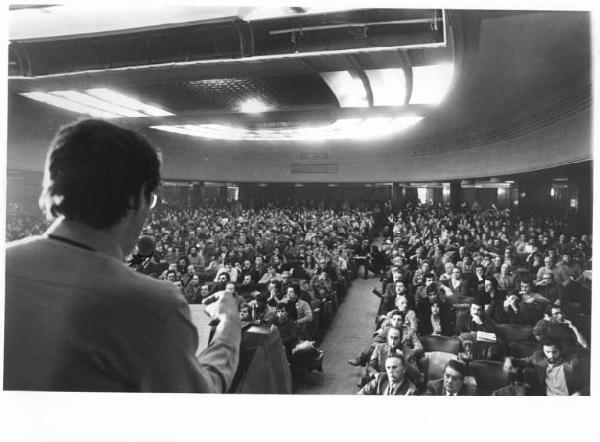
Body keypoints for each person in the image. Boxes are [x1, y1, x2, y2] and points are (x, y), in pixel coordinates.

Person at [4, 119, 241, 392]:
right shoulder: (153, 304)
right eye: (151, 200)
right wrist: (229, 326)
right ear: (137, 198)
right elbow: (195, 404)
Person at [504, 338, 590, 395]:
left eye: (554, 352)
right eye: (547, 352)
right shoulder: (538, 358)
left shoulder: (574, 362)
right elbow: (521, 361)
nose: (551, 355)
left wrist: (580, 392)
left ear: (560, 351)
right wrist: (509, 360)